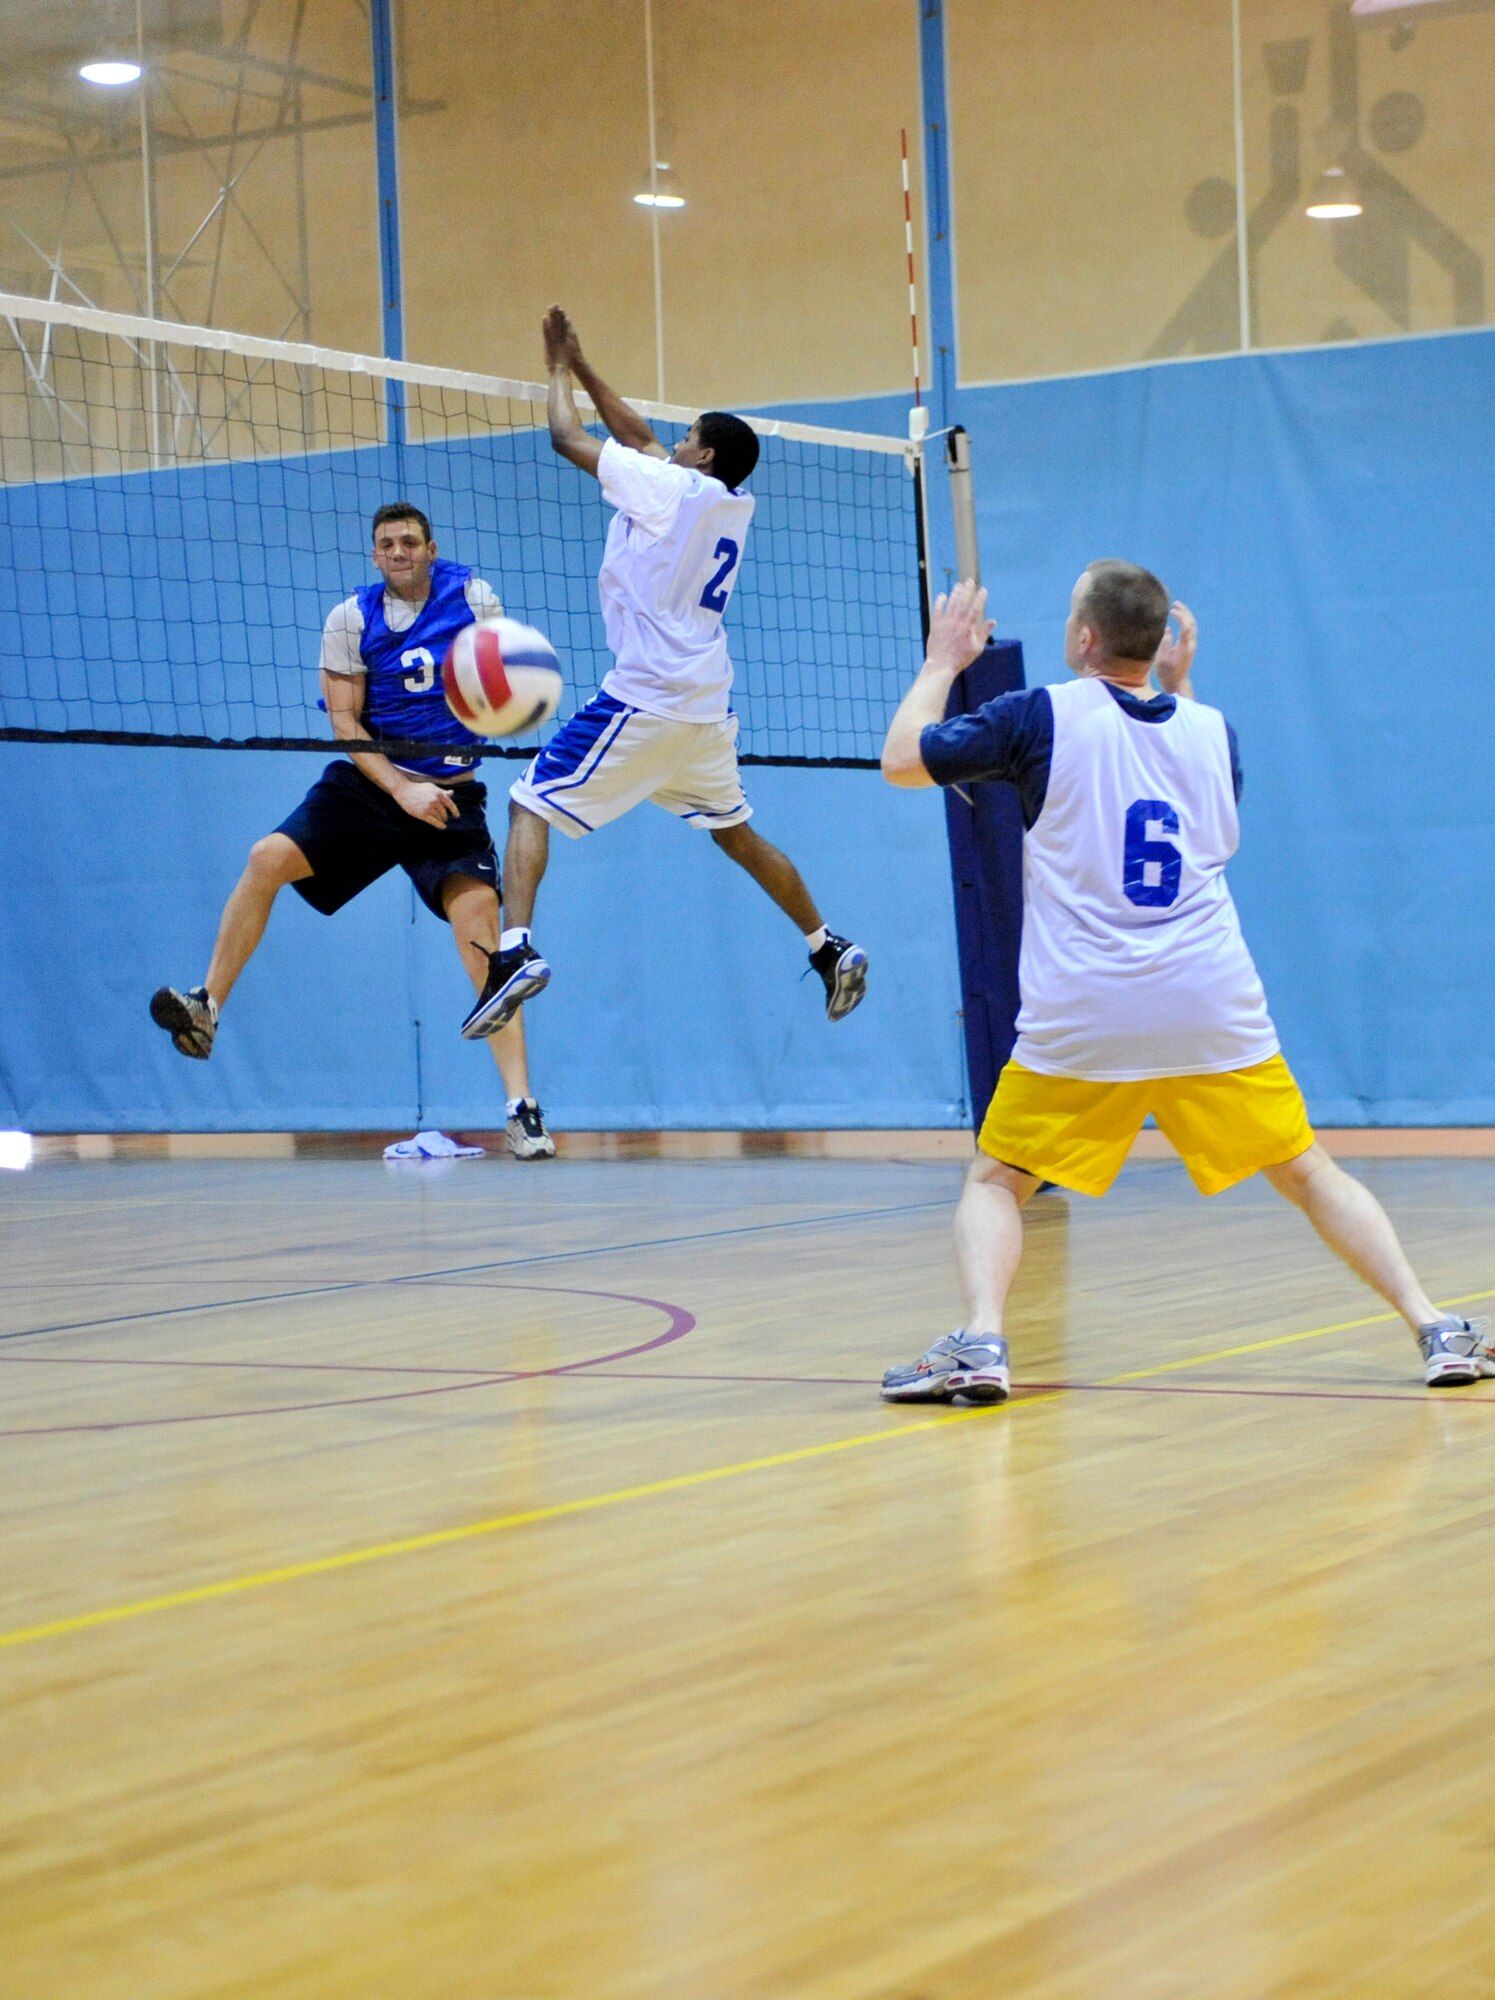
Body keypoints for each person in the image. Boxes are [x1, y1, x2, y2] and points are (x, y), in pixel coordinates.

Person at [878, 568, 1487, 1401]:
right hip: (1207, 1000)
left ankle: (981, 1342)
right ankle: (1433, 1327)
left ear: (1084, 638)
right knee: (1309, 1172)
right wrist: (1180, 686)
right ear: (1158, 641)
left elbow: (903, 760)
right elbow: (1176, 783)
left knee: (996, 1182)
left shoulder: (1039, 716)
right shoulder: (1212, 730)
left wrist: (943, 661)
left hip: (1086, 1010)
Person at [459, 307, 868, 1039]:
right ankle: (826, 944)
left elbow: (567, 437)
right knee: (734, 833)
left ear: (703, 457)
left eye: (687, 439)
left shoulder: (668, 489)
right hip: (706, 706)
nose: (668, 442)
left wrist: (554, 371)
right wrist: (586, 365)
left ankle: (514, 953)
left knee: (528, 803)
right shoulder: (725, 501)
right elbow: (639, 437)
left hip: (646, 697)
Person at [149, 502, 556, 1161]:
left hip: (450, 796)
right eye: (386, 544)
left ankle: (521, 1110)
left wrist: (506, 701)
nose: (398, 552)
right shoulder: (349, 618)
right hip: (373, 788)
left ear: (430, 547)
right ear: (375, 555)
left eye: (409, 542)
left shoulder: (473, 596)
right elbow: (346, 719)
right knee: (265, 858)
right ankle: (206, 1005)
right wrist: (400, 786)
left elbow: (497, 676)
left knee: (486, 941)